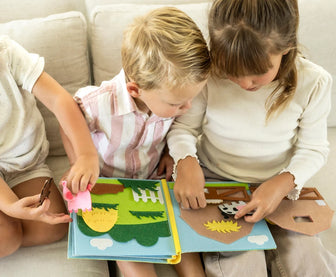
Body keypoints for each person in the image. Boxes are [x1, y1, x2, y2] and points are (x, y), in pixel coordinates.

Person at [167, 0, 336, 276]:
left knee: (307, 258)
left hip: (280, 185)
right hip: (217, 182)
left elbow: (314, 149)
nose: (245, 83)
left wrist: (280, 185)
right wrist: (186, 162)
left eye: (258, 73)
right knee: (241, 262)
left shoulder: (315, 82)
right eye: (232, 72)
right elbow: (183, 129)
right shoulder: (209, 75)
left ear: (286, 47)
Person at [61, 7, 211, 277]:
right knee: (135, 262)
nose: (187, 108)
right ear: (135, 90)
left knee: (187, 256)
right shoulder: (98, 103)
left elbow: (175, 130)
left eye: (190, 99)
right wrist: (78, 162)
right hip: (109, 190)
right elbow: (67, 123)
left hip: (152, 185)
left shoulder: (169, 99)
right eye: (178, 103)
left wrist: (168, 154)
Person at [0, 35, 99, 258]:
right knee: (8, 236)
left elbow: (58, 99)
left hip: (25, 164)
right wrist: (8, 207)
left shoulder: (6, 51)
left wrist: (85, 154)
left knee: (53, 226)